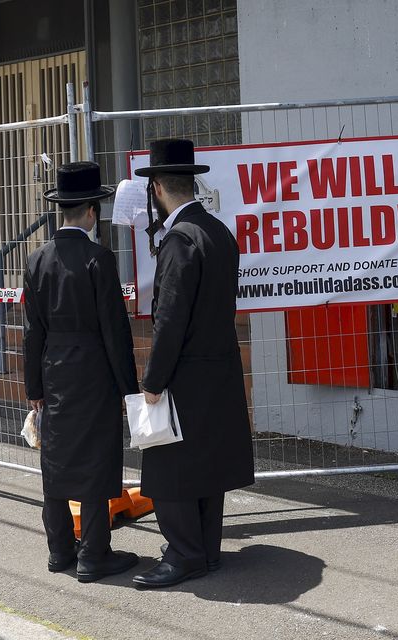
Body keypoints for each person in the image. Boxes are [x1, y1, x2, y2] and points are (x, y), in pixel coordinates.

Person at [130, 139, 254, 589]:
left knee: (171, 467)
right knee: (208, 463)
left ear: (158, 187)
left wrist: (154, 379)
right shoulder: (218, 230)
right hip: (219, 366)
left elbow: (171, 319)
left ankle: (184, 554)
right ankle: (206, 550)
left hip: (186, 371)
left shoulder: (179, 240)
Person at [23, 161, 140, 583]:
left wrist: (33, 387)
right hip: (94, 371)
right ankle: (94, 553)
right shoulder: (99, 259)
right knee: (95, 458)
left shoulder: (36, 261)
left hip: (53, 371)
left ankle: (59, 550)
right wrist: (130, 389)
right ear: (92, 211)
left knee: (54, 458)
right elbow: (115, 330)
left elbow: (31, 332)